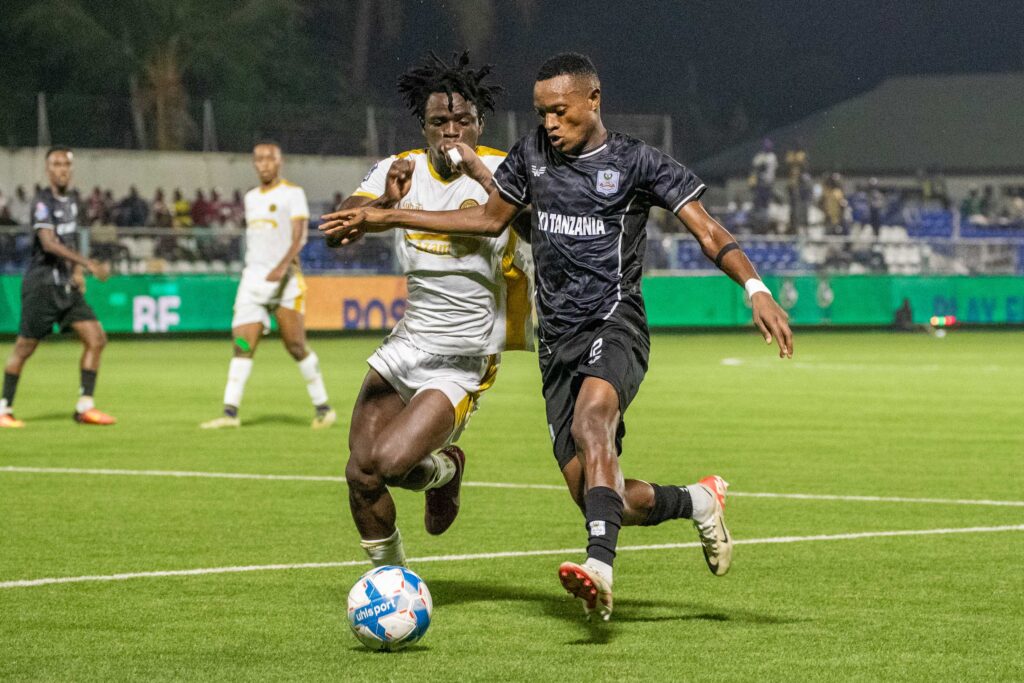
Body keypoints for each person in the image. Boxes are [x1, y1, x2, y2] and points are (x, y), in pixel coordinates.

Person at [321, 53, 793, 621]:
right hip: (537, 341)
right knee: (599, 497)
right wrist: (387, 206)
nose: (550, 122)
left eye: (560, 111)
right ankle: (697, 501)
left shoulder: (620, 162)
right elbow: (457, 220)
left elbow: (706, 230)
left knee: (590, 424)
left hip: (596, 325)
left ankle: (599, 567)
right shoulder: (513, 158)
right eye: (542, 112)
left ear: (593, 101)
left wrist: (755, 288)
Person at [334, 52, 533, 568]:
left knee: (392, 462)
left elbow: (519, 224)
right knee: (361, 473)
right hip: (408, 343)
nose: (451, 131)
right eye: (439, 121)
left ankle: (445, 470)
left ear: (479, 123)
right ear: (423, 126)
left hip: (465, 354)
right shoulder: (399, 169)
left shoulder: (503, 169)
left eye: (462, 121)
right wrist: (384, 203)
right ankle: (392, 583)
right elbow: (339, 230)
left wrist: (470, 178)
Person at [200, 142, 335, 429]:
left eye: (268, 159)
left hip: (285, 281)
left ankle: (323, 408)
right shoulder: (250, 198)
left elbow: (299, 237)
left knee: (295, 346)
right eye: (258, 159)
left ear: (279, 162)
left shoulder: (292, 194)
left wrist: (282, 266)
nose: (263, 164)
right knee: (241, 344)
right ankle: (230, 413)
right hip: (253, 281)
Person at [1, 147, 115, 428]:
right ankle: (4, 408)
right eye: (56, 164)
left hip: (66, 286)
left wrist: (76, 272)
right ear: (48, 169)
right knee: (24, 348)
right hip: (41, 286)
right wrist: (88, 264)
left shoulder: (73, 202)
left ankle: (85, 407)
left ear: (71, 169)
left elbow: (70, 240)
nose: (62, 169)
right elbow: (49, 243)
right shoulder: (43, 202)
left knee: (96, 338)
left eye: (65, 164)